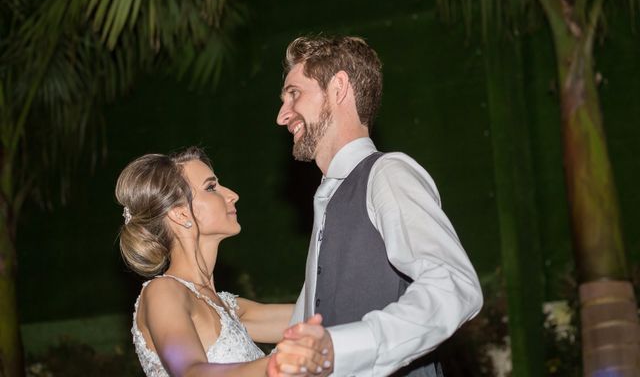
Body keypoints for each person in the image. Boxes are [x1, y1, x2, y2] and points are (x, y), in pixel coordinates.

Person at [274, 36, 484, 376]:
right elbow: (305, 326)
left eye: (294, 93)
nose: (282, 115)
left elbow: (454, 286)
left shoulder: (386, 174)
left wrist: (341, 348)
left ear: (338, 87)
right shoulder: (328, 201)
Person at [116, 147, 330, 377]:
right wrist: (273, 365)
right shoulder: (163, 292)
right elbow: (190, 372)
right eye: (211, 187)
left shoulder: (230, 309)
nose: (232, 195)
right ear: (180, 214)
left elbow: (320, 315)